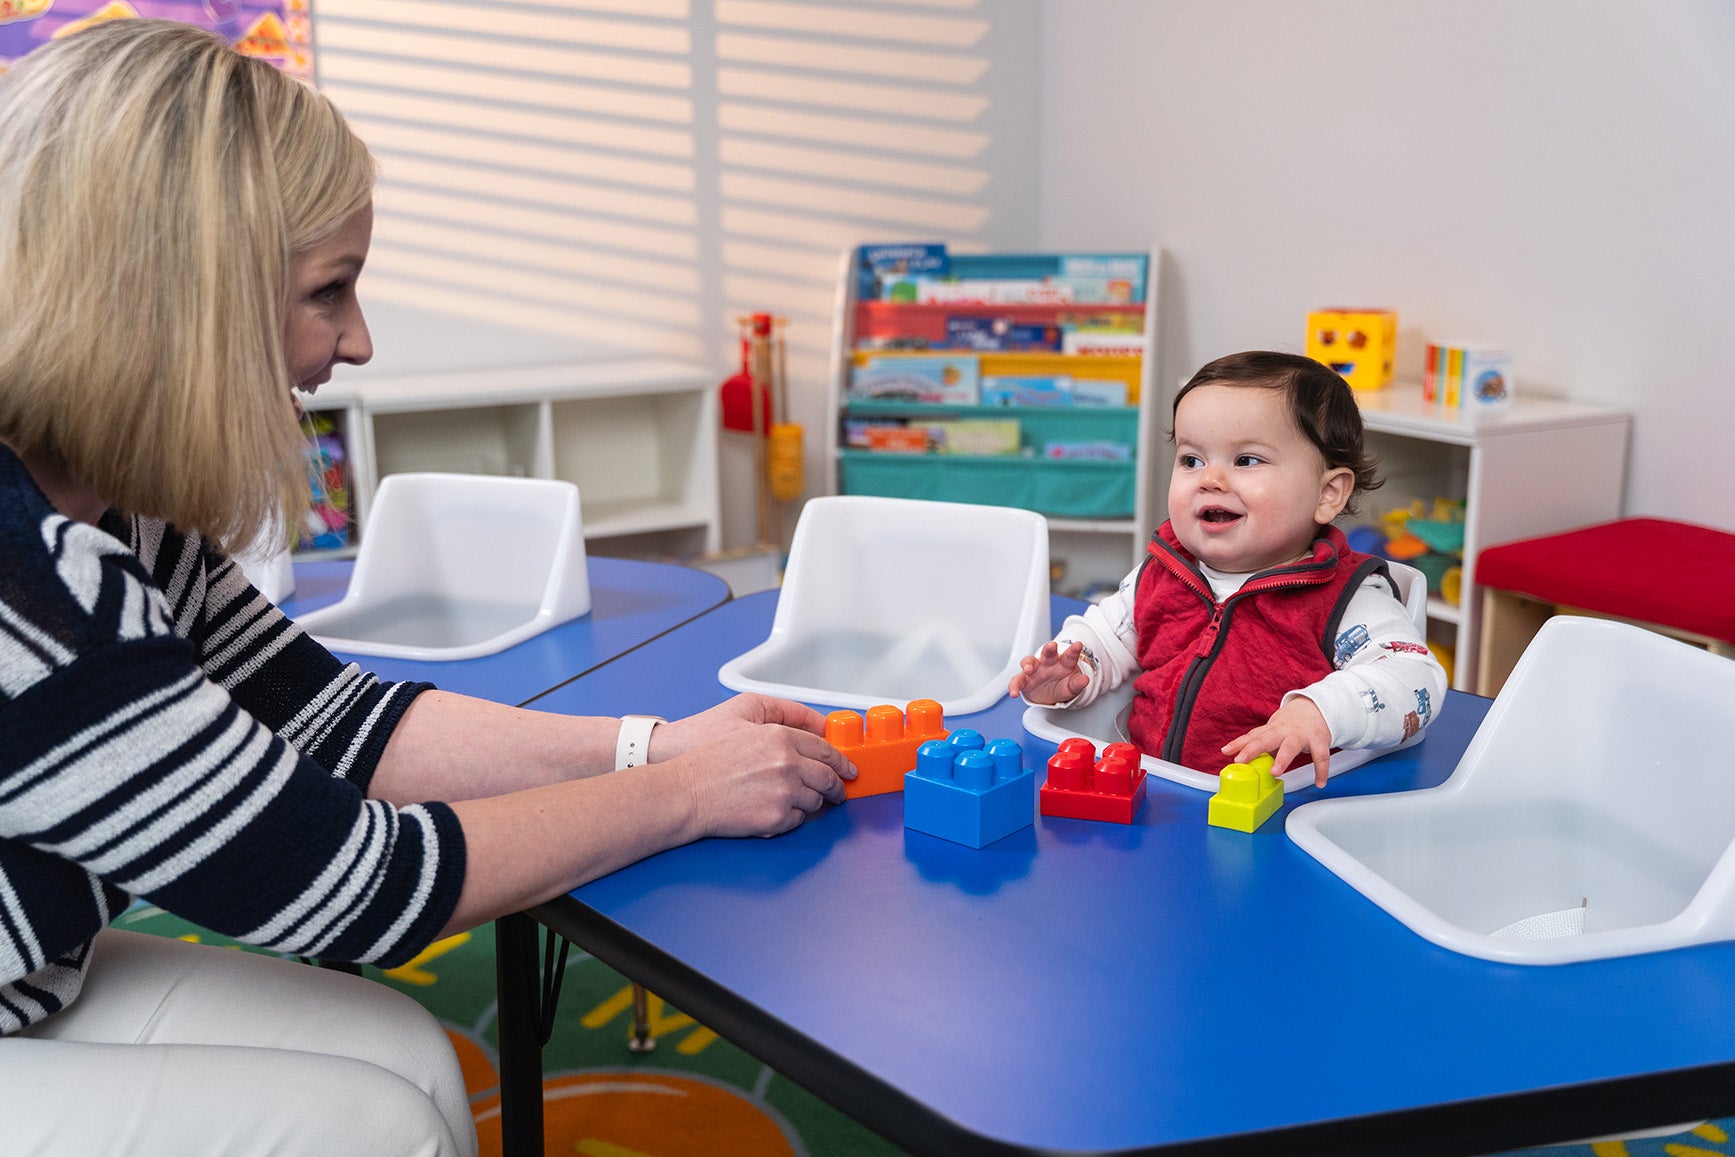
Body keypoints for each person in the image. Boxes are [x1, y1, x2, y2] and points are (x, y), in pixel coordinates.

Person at [0, 20, 854, 1155]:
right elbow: (349, 882)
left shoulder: (121, 511)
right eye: (328, 291)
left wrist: (662, 743)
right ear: (176, 300)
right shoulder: (37, 591)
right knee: (372, 1125)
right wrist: (689, 795)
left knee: (402, 1055)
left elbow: (330, 717)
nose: (356, 341)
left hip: (34, 972)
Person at [1011, 351, 1446, 787]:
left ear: (1327, 494)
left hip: (1273, 812)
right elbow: (1106, 637)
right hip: (1151, 789)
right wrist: (1071, 672)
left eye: (1246, 461)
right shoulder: (1162, 572)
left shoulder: (1348, 598)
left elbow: (1415, 681)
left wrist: (1322, 711)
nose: (1209, 479)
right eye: (1191, 460)